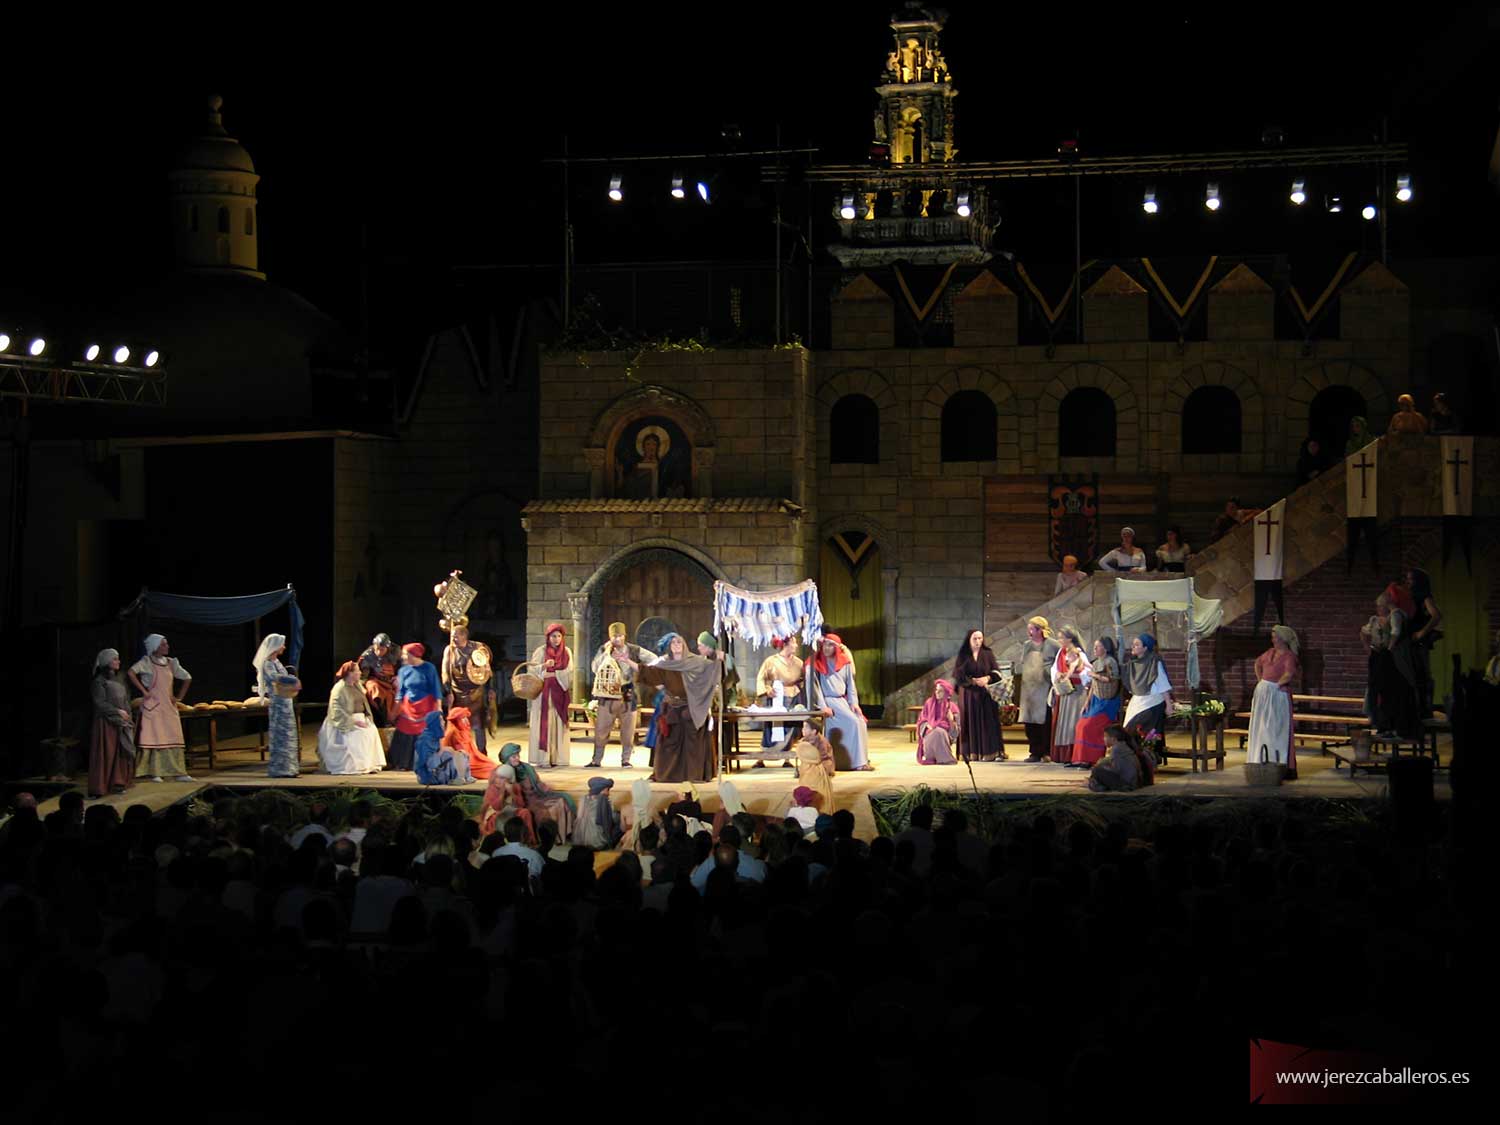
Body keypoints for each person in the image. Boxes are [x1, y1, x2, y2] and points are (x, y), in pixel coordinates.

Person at [636, 632, 723, 784]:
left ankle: (694, 775)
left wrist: (719, 659)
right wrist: (628, 662)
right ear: (669, 646)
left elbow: (712, 671)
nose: (676, 645)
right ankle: (666, 775)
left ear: (684, 645)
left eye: (679, 642)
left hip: (692, 709)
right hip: (672, 709)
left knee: (693, 745)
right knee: (667, 744)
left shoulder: (695, 662)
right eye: (673, 643)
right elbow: (647, 672)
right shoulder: (664, 663)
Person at [126, 634, 194, 783]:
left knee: (173, 737)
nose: (167, 647)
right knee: (155, 739)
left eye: (166, 644)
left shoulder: (171, 663)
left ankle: (178, 771)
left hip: (168, 706)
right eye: (163, 644)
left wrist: (179, 697)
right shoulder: (147, 662)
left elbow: (187, 677)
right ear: (155, 647)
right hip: (153, 707)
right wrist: (144, 692)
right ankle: (154, 771)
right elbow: (131, 672)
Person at [589, 622, 650, 769]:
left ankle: (626, 760)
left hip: (628, 693)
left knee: (628, 731)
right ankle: (596, 760)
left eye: (620, 636)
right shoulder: (605, 649)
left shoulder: (634, 650)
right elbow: (595, 668)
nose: (617, 639)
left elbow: (653, 659)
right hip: (607, 694)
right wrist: (605, 652)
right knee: (601, 729)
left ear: (624, 636)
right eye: (614, 636)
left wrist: (640, 670)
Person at [1362, 593, 1418, 738]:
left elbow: (1396, 633)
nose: (1378, 609)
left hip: (1388, 657)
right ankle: (1380, 723)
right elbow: (1363, 632)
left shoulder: (1395, 615)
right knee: (1377, 689)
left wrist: (1389, 649)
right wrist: (1368, 649)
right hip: (1378, 657)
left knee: (1389, 691)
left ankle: (1390, 725)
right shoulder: (1375, 620)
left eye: (1380, 606)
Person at [1248, 625, 1300, 780]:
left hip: (1277, 694)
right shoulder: (1270, 653)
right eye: (1272, 636)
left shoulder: (1289, 656)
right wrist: (1262, 682)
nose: (1273, 639)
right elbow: (1257, 664)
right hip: (1264, 693)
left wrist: (1276, 686)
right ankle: (1260, 761)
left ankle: (1279, 764)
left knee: (1277, 728)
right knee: (1262, 726)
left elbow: (1289, 674)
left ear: (1283, 638)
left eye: (1275, 636)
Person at [812, 633, 869, 770]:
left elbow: (851, 685)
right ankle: (855, 763)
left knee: (861, 721)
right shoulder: (816, 662)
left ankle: (859, 760)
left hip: (842, 701)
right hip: (828, 702)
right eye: (825, 644)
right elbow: (815, 687)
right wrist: (822, 706)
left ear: (837, 648)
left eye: (830, 645)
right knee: (853, 722)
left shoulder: (845, 662)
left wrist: (854, 703)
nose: (827, 648)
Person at [317, 661, 385, 775]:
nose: (360, 672)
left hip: (360, 717)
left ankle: (368, 764)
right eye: (357, 670)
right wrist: (354, 721)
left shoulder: (357, 685)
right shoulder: (339, 689)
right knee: (357, 734)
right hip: (344, 721)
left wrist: (367, 718)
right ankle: (356, 766)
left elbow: (364, 704)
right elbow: (336, 710)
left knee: (371, 730)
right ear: (350, 673)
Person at [497, 743, 575, 838]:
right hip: (524, 801)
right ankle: (547, 837)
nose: (517, 758)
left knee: (562, 800)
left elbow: (538, 783)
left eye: (518, 755)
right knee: (544, 812)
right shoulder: (506, 772)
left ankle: (566, 833)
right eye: (513, 757)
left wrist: (548, 790)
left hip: (537, 796)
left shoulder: (526, 768)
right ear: (507, 759)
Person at [441, 625, 497, 755]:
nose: (454, 638)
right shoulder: (449, 650)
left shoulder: (477, 648)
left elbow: (487, 670)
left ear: (464, 636)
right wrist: (448, 690)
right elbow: (445, 672)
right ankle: (459, 752)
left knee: (478, 725)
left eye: (457, 635)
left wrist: (491, 689)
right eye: (452, 635)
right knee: (457, 725)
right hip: (457, 692)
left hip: (475, 692)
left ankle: (482, 752)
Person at [88, 649, 135, 798]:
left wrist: (127, 715)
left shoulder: (118, 679)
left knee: (120, 752)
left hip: (120, 721)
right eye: (115, 659)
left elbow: (125, 699)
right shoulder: (99, 681)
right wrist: (117, 711)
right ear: (107, 662)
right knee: (106, 754)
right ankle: (100, 787)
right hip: (106, 723)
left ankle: (118, 782)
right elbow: (100, 703)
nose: (118, 662)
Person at [253, 634, 301, 778]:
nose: (284, 647)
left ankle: (290, 767)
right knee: (280, 735)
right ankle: (280, 768)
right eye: (282, 644)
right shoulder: (267, 663)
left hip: (286, 702)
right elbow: (275, 677)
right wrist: (293, 679)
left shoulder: (277, 662)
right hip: (278, 704)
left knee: (288, 735)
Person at [389, 643, 441, 772]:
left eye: (405, 654)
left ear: (414, 655)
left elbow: (435, 688)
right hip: (408, 707)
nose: (403, 657)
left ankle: (423, 763)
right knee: (404, 731)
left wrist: (438, 708)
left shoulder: (429, 668)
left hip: (426, 706)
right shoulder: (403, 670)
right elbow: (400, 692)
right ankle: (402, 763)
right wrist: (395, 709)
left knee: (424, 734)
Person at [527, 622, 572, 768]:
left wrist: (556, 674)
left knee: (558, 722)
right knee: (544, 722)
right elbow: (532, 669)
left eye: (559, 636)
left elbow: (570, 671)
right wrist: (543, 667)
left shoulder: (567, 652)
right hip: (543, 694)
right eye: (553, 636)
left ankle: (558, 758)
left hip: (559, 691)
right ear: (548, 637)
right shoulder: (541, 651)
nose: (556, 639)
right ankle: (543, 758)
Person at [954, 629, 1003, 762]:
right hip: (968, 695)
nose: (978, 641)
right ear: (969, 640)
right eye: (975, 639)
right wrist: (973, 681)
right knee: (969, 722)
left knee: (987, 722)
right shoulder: (963, 655)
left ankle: (990, 752)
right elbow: (958, 675)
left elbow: (996, 672)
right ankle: (971, 752)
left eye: (980, 638)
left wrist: (987, 678)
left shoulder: (988, 653)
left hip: (985, 694)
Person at [754, 633, 805, 761]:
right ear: (785, 644)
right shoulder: (771, 661)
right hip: (777, 696)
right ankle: (763, 757)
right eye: (793, 642)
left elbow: (803, 680)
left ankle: (787, 758)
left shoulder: (798, 662)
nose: (796, 645)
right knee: (773, 726)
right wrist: (766, 689)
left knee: (791, 727)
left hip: (793, 695)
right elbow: (761, 678)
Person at [1072, 637, 1121, 767]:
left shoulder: (1110, 661)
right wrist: (1086, 703)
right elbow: (1093, 686)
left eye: (1097, 646)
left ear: (1105, 648)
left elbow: (1112, 679)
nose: (1095, 649)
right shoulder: (1095, 663)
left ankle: (1092, 758)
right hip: (1096, 699)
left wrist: (1095, 675)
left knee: (1089, 726)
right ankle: (1081, 758)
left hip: (1107, 700)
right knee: (1080, 725)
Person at [1018, 617, 1059, 762]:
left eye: (1032, 629)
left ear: (1040, 630)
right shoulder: (1027, 645)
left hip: (1045, 687)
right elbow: (1024, 663)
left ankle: (1046, 752)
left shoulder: (1053, 645)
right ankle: (1034, 752)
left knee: (1044, 720)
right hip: (1029, 687)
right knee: (1030, 722)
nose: (1029, 632)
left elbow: (1058, 664)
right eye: (1028, 629)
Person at [1404, 567, 1443, 717]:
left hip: (1418, 641)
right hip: (1409, 640)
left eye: (1411, 579)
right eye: (1407, 579)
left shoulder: (1424, 595)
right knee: (1413, 673)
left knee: (1423, 674)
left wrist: (1422, 633)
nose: (1408, 582)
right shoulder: (1410, 595)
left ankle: (1425, 711)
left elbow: (1436, 615)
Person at [1120, 633, 1174, 740]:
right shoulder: (1132, 663)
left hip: (1152, 702)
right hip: (1137, 701)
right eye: (1133, 644)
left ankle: (1147, 755)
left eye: (1137, 644)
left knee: (1143, 734)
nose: (1133, 646)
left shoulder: (1154, 661)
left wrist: (1168, 704)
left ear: (1145, 648)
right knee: (1128, 731)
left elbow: (1162, 683)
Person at [1049, 625, 1089, 765]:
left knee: (1073, 722)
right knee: (1063, 724)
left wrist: (1073, 675)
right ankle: (1063, 755)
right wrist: (1058, 675)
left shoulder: (1079, 653)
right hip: (1064, 692)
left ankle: (1074, 754)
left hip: (1076, 692)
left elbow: (1086, 672)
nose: (1059, 640)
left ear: (1070, 638)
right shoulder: (1061, 652)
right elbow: (1054, 669)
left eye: (1062, 637)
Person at [478, 755, 535, 841]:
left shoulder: (515, 786)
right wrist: (502, 793)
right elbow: (496, 807)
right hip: (496, 812)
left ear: (509, 779)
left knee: (525, 813)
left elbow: (521, 805)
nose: (497, 780)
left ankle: (529, 840)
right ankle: (496, 841)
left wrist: (512, 792)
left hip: (512, 811)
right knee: (496, 817)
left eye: (501, 778)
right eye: (497, 777)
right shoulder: (492, 789)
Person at [413, 710, 472, 785]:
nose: (443, 722)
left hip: (438, 768)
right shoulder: (425, 739)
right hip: (430, 775)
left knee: (461, 753)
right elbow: (428, 762)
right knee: (450, 754)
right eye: (441, 720)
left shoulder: (435, 737)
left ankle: (464, 777)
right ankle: (457, 778)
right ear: (435, 723)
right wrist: (443, 752)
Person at [793, 720, 835, 813]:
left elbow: (821, 758)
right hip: (809, 767)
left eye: (806, 727)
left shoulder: (822, 742)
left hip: (819, 769)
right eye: (803, 727)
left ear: (814, 731)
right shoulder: (804, 741)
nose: (803, 730)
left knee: (815, 792)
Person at [1088, 725, 1146, 792]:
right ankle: (1096, 784)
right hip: (1134, 782)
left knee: (1096, 770)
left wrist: (1103, 768)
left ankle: (1096, 785)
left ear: (1113, 739)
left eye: (1105, 736)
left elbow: (1116, 771)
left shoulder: (1117, 749)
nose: (1103, 739)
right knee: (1102, 765)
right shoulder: (1123, 745)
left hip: (1127, 784)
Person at [916, 679, 959, 765]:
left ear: (946, 692)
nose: (937, 692)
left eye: (940, 691)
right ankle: (936, 756)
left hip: (944, 737)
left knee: (939, 732)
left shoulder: (952, 707)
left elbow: (955, 734)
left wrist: (951, 719)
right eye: (936, 690)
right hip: (929, 734)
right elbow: (921, 721)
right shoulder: (928, 703)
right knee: (937, 732)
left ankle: (944, 758)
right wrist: (929, 726)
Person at [358, 633, 398, 726]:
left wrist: (398, 676)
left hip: (391, 681)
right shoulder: (368, 656)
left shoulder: (395, 652)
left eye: (382, 649)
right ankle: (384, 718)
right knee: (375, 689)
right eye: (377, 649)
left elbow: (402, 667)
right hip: (375, 681)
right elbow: (363, 676)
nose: (379, 652)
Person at [441, 707, 492, 780]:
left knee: (490, 765)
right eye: (462, 718)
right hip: (464, 762)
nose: (466, 721)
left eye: (466, 717)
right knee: (490, 769)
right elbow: (461, 754)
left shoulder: (464, 730)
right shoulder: (453, 733)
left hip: (471, 759)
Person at [573, 776, 622, 849]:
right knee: (622, 822)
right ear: (601, 790)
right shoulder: (603, 800)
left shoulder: (583, 798)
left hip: (579, 840)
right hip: (597, 843)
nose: (608, 793)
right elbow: (612, 819)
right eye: (607, 790)